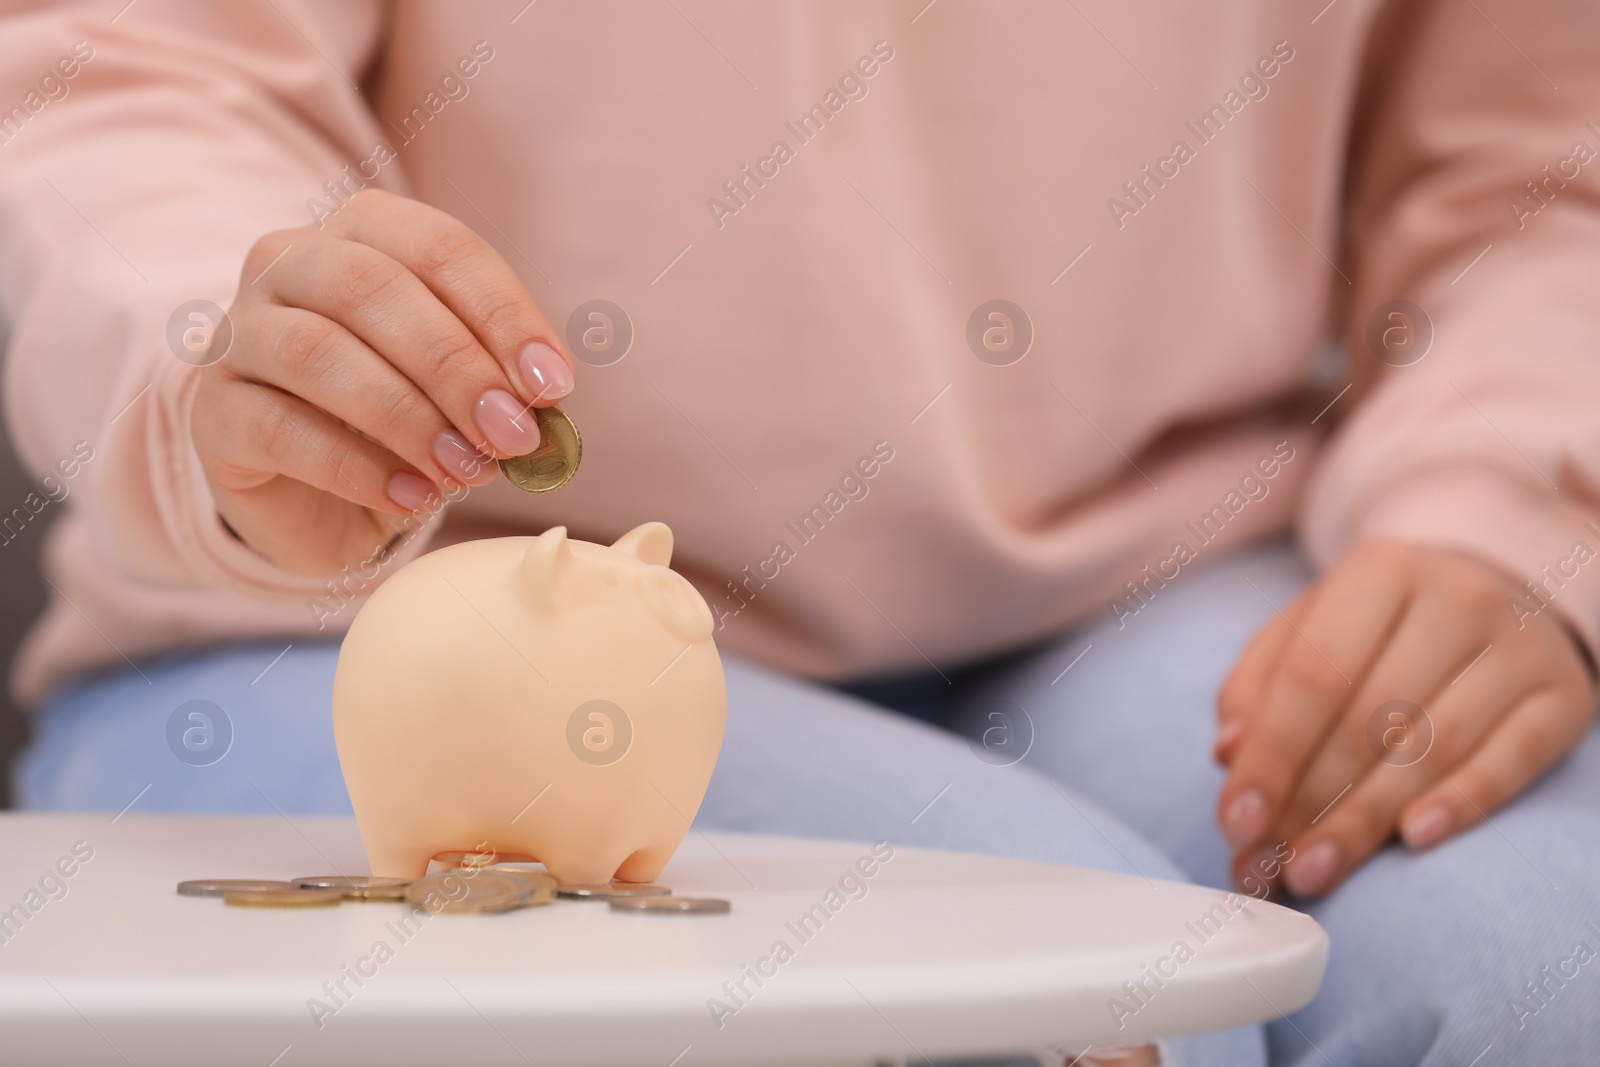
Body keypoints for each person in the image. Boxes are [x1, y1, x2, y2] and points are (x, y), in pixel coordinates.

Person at [3, 2, 1598, 1064]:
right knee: (1066, 1001)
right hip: (365, 610)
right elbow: (118, 73)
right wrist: (245, 355)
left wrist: (1506, 505)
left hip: (1146, 582)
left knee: (1538, 968)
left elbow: (1540, 170)